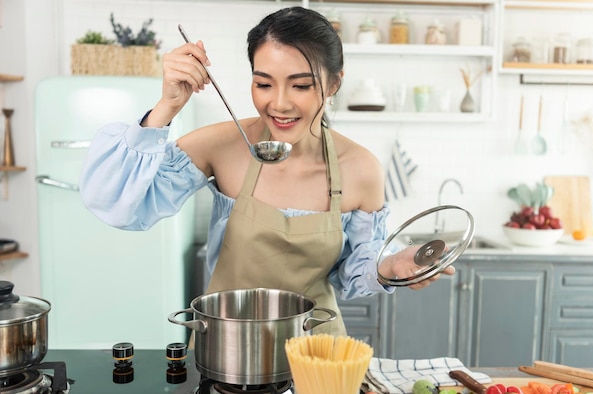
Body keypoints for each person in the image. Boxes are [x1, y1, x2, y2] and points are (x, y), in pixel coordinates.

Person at [79, 6, 454, 336]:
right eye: (263, 83)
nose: (278, 103)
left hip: (317, 354)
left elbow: (353, 270)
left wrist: (393, 265)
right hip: (227, 351)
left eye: (301, 85)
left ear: (334, 83)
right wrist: (167, 106)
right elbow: (119, 205)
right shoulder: (222, 146)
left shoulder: (360, 168)